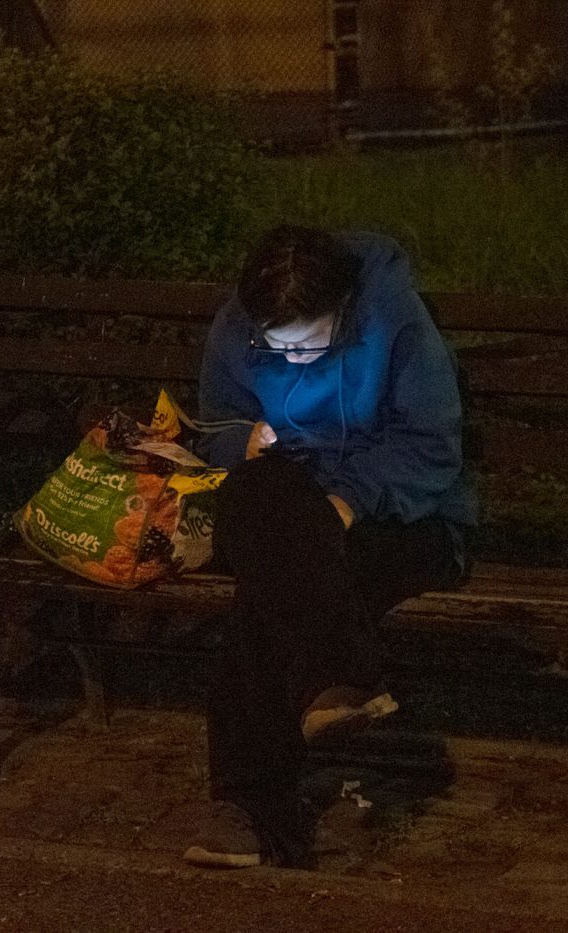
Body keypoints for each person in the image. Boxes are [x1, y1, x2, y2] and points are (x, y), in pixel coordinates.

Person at [183, 225, 477, 869]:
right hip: (288, 511)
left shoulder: (394, 320)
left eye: (308, 343)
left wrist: (346, 502)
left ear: (341, 311)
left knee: (269, 593)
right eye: (273, 347)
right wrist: (242, 445)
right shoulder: (236, 327)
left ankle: (245, 807)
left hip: (403, 519)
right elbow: (218, 429)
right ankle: (340, 683)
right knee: (262, 503)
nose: (289, 360)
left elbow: (430, 448)